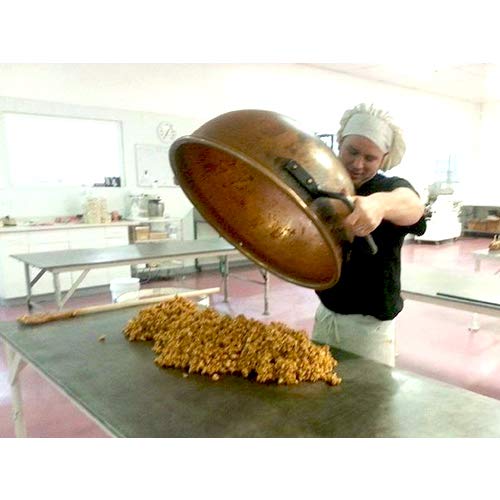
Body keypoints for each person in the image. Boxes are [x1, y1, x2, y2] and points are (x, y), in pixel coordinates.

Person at [312, 103, 426, 367]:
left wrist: (379, 205)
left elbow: (412, 206)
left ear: (384, 158)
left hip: (370, 326)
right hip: (325, 313)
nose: (358, 164)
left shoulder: (389, 187)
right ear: (339, 142)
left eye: (370, 158)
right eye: (352, 151)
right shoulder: (323, 186)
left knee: (370, 393)